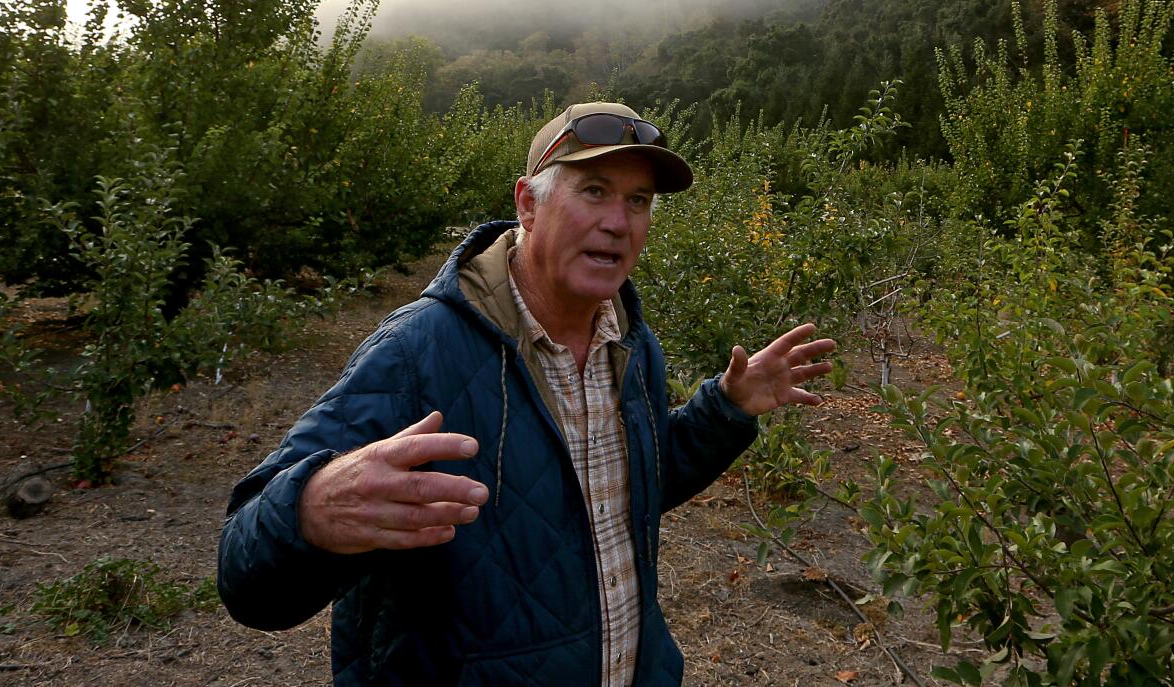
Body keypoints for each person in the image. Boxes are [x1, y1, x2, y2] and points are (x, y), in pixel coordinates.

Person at [217, 101, 835, 685]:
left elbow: (621, 493)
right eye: (593, 191)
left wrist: (724, 409)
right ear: (528, 205)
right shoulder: (419, 353)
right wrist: (312, 510)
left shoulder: (629, 344)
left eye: (638, 200)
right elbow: (244, 574)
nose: (618, 222)